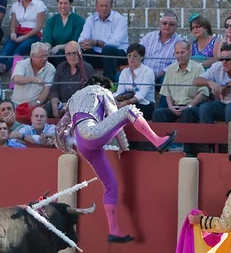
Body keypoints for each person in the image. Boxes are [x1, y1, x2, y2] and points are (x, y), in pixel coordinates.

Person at [55, 75, 177, 243]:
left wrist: (66, 148)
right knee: (129, 110)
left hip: (83, 144)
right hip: (93, 133)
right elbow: (117, 119)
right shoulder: (102, 91)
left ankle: (114, 230)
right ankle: (157, 141)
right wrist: (124, 146)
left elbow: (61, 127)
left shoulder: (74, 98)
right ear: (104, 85)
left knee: (110, 186)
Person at [0, 0, 47, 74]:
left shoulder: (39, 5)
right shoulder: (16, 5)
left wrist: (24, 37)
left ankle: (5, 67)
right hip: (19, 32)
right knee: (6, 49)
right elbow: (13, 24)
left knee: (20, 49)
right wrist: (12, 33)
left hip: (33, 34)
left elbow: (39, 27)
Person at [43, 0, 85, 67]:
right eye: (60, 3)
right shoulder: (52, 20)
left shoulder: (79, 20)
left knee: (59, 56)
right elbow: (47, 39)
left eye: (65, 3)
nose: (63, 6)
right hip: (53, 51)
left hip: (70, 52)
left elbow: (75, 41)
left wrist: (58, 47)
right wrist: (47, 48)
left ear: (70, 4)